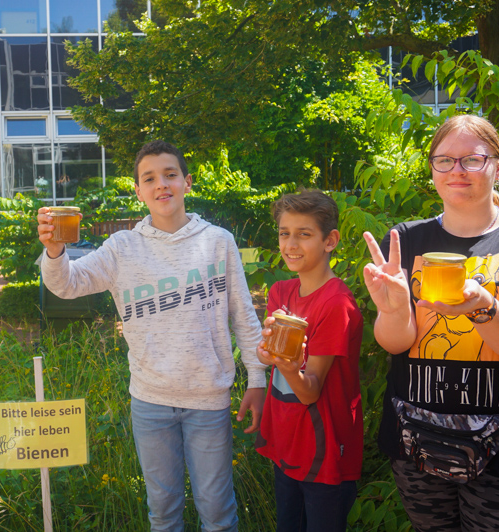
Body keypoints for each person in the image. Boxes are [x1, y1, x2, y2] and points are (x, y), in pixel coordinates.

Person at [37, 140, 265, 531]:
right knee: (162, 512)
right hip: (150, 403)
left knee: (218, 513)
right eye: (150, 178)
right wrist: (55, 252)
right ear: (138, 190)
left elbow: (243, 315)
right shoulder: (122, 248)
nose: (162, 185)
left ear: (187, 182)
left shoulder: (217, 241)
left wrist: (257, 378)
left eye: (170, 175)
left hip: (208, 400)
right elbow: (67, 285)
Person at [362, 115, 499, 531]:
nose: (457, 170)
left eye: (472, 160)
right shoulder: (407, 239)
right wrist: (393, 309)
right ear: (432, 169)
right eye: (445, 160)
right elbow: (395, 343)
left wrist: (481, 306)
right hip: (417, 444)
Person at [255, 190, 363, 532]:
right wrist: (265, 355)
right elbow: (274, 355)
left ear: (330, 240)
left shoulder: (336, 304)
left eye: (304, 234)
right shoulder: (280, 292)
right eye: (284, 233)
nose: (291, 244)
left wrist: (288, 366)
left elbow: (310, 390)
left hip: (323, 450)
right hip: (287, 440)